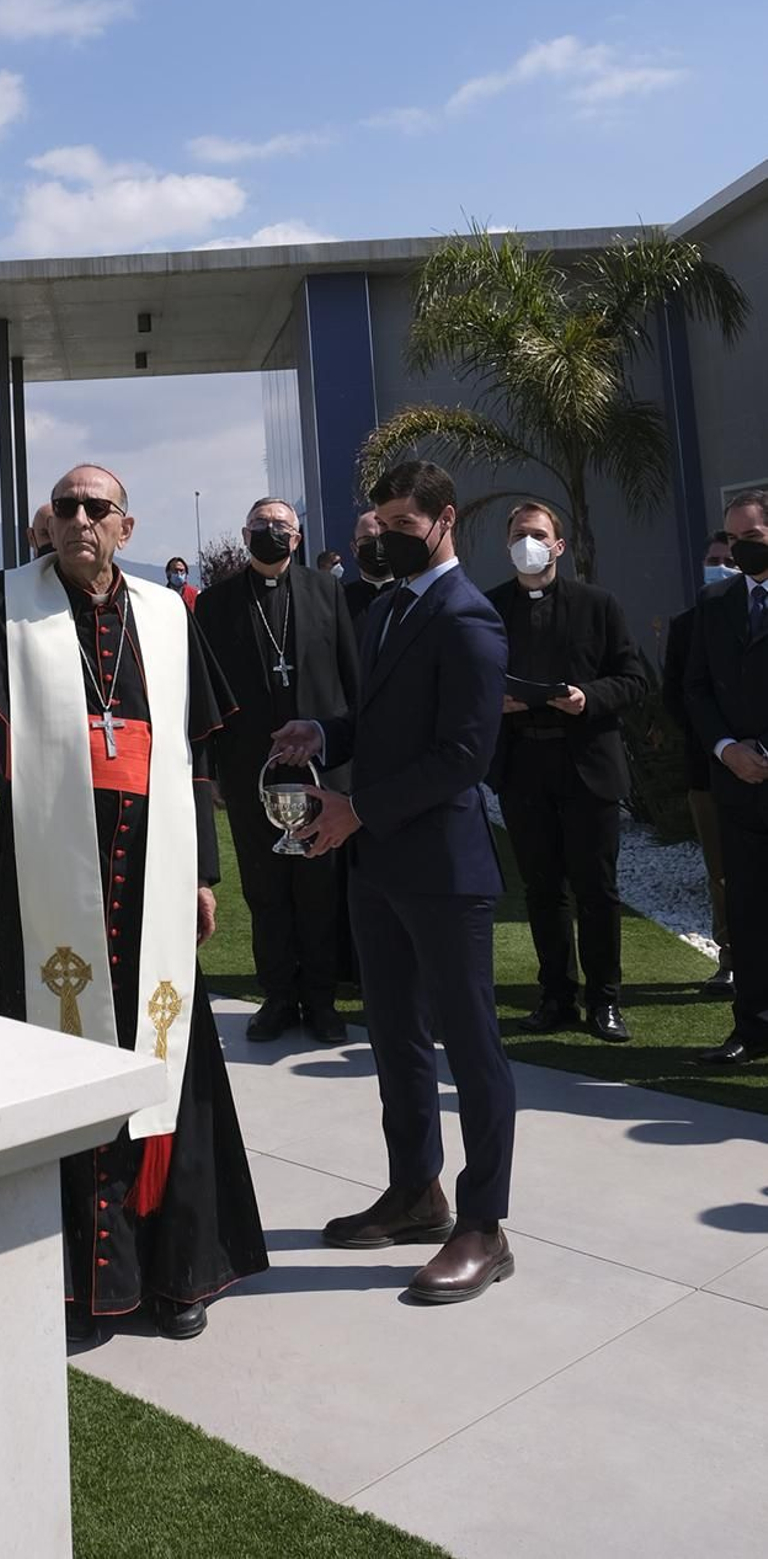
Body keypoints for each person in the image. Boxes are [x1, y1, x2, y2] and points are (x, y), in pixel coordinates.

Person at [0, 437, 269, 1345]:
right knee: (53, 1058)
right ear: (45, 523)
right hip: (46, 871)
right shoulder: (9, 605)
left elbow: (194, 755)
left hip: (153, 870)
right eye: (68, 506)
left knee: (165, 1060)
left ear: (128, 526)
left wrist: (207, 874)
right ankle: (77, 1288)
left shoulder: (167, 617)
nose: (82, 519)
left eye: (99, 507)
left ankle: (179, 1275)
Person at [271, 459, 514, 1305]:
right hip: (379, 867)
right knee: (396, 1040)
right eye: (377, 530)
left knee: (470, 1049)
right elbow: (381, 725)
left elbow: (461, 757)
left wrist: (357, 812)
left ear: (443, 521)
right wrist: (323, 733)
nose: (385, 543)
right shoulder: (381, 613)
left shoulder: (470, 619)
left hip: (443, 872)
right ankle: (416, 1190)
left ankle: (483, 1225)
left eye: (402, 530)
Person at [195, 497, 360, 1047]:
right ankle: (277, 996)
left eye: (282, 526)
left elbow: (349, 679)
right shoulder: (215, 604)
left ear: (298, 537)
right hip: (250, 770)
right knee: (264, 889)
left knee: (318, 887)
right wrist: (214, 770)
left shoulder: (326, 591)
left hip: (319, 771)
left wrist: (349, 761)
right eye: (262, 525)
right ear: (246, 536)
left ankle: (320, 999)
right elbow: (207, 696)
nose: (272, 532)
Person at [486, 501, 645, 1044]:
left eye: (536, 534)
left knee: (596, 889)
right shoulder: (490, 608)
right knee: (541, 889)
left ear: (558, 545)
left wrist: (589, 697)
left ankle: (605, 1001)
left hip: (587, 765)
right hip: (523, 766)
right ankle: (556, 996)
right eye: (517, 535)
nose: (526, 543)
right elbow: (468, 681)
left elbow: (633, 677)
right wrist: (494, 702)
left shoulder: (597, 604)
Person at [684, 489, 768, 1066]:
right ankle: (752, 1028)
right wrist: (725, 748)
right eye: (734, 540)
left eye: (752, 539)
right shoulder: (715, 604)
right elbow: (696, 688)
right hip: (738, 785)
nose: (740, 550)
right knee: (748, 912)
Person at [662, 533, 737, 996]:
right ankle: (731, 956)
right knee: (722, 870)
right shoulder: (688, 625)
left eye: (729, 558)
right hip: (707, 768)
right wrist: (719, 743)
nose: (722, 565)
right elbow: (677, 695)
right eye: (714, 559)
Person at [346, 509, 392, 623]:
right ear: (354, 548)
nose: (377, 546)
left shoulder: (415, 596)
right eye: (367, 540)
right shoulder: (341, 602)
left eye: (384, 538)